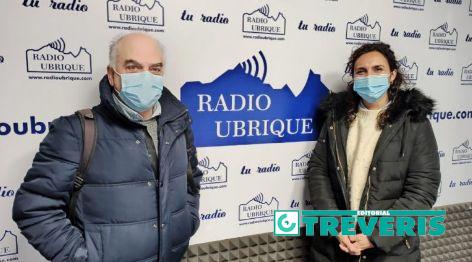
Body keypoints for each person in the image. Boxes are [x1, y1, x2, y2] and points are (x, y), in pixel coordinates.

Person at [12, 32, 202, 262]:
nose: (146, 76)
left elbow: (191, 182)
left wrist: (187, 221)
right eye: (133, 67)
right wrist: (85, 258)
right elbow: (34, 208)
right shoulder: (76, 131)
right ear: (112, 75)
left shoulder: (178, 123)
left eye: (155, 69)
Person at [307, 42, 440, 261]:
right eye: (362, 71)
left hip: (390, 252)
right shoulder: (336, 118)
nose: (369, 77)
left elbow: (422, 188)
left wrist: (375, 236)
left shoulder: (413, 122)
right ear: (354, 78)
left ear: (392, 75)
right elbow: (319, 170)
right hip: (336, 248)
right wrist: (337, 226)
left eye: (378, 69)